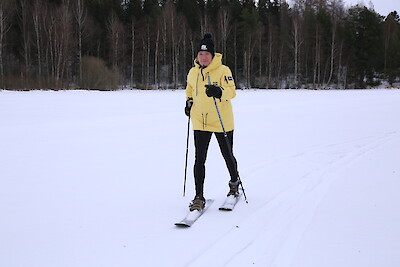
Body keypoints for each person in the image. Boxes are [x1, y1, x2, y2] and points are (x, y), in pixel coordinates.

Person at [184, 33, 240, 211]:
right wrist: (188, 103)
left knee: (227, 154)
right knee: (199, 159)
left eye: (207, 54)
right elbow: (190, 91)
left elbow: (232, 92)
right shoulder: (193, 72)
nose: (203, 57)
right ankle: (198, 197)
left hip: (221, 120)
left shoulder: (223, 70)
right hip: (200, 121)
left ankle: (234, 184)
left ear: (213, 55)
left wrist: (219, 91)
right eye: (200, 54)